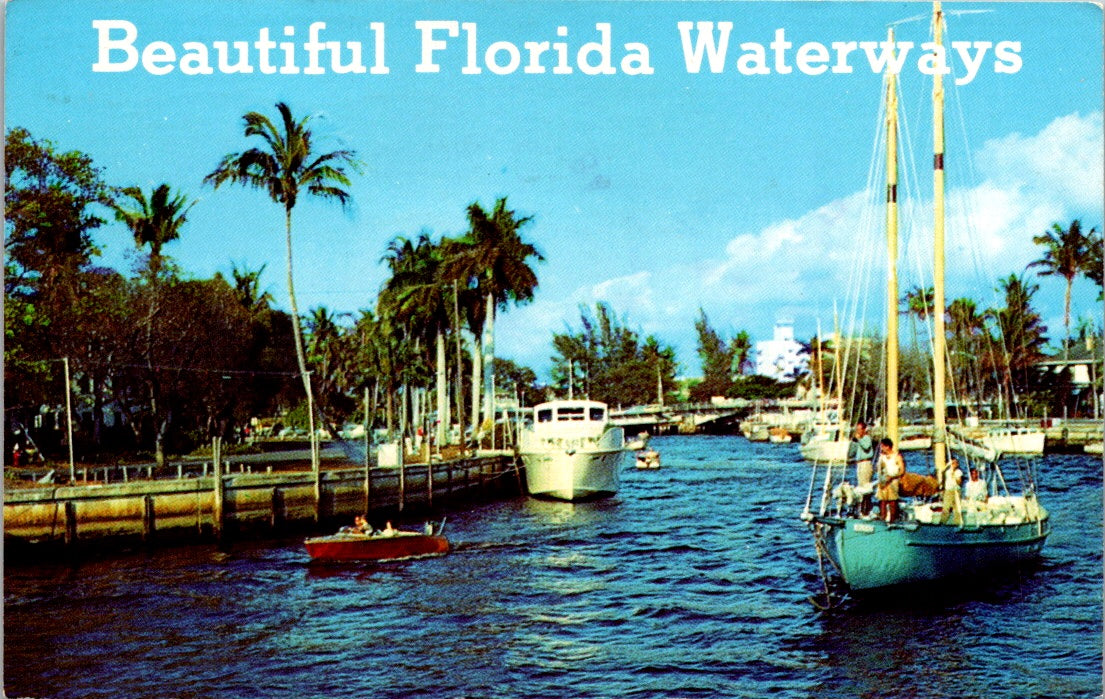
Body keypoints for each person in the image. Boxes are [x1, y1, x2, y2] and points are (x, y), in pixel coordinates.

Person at [849, 421, 876, 516]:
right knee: (860, 487)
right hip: (859, 464)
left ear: (864, 430)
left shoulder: (866, 438)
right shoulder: (858, 440)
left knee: (866, 487)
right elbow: (851, 453)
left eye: (859, 429)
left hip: (866, 463)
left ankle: (867, 508)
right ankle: (860, 508)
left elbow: (866, 446)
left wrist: (859, 439)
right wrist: (853, 442)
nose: (858, 431)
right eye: (857, 430)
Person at [876, 437, 905, 522]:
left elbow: (902, 470)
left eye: (882, 446)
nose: (881, 448)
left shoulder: (897, 456)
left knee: (892, 501)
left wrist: (893, 477)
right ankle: (883, 519)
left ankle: (893, 519)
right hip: (883, 481)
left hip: (893, 480)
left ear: (887, 446)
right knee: (883, 501)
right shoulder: (882, 457)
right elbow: (879, 469)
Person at [939, 458, 964, 525]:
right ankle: (943, 522)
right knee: (946, 507)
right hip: (948, 491)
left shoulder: (959, 472)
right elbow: (942, 471)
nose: (954, 464)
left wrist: (955, 477)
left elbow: (959, 482)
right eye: (953, 463)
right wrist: (948, 465)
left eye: (955, 463)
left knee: (957, 508)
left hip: (956, 491)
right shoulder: (947, 471)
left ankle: (958, 523)